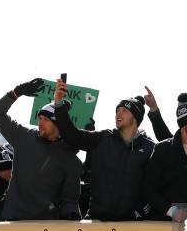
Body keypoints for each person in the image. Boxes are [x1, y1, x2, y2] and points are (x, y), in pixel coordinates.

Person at [53, 78, 155, 220]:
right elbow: (71, 135)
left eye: (124, 110)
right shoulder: (103, 138)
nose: (118, 114)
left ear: (135, 117)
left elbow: (155, 187)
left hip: (131, 227)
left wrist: (139, 212)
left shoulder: (150, 148)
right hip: (96, 223)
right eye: (117, 110)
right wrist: (58, 103)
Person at [0, 78, 82, 220]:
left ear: (59, 124)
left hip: (46, 229)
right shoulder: (23, 137)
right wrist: (16, 92)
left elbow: (70, 200)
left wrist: (72, 215)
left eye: (46, 119)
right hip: (12, 222)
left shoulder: (71, 159)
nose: (40, 123)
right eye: (40, 118)